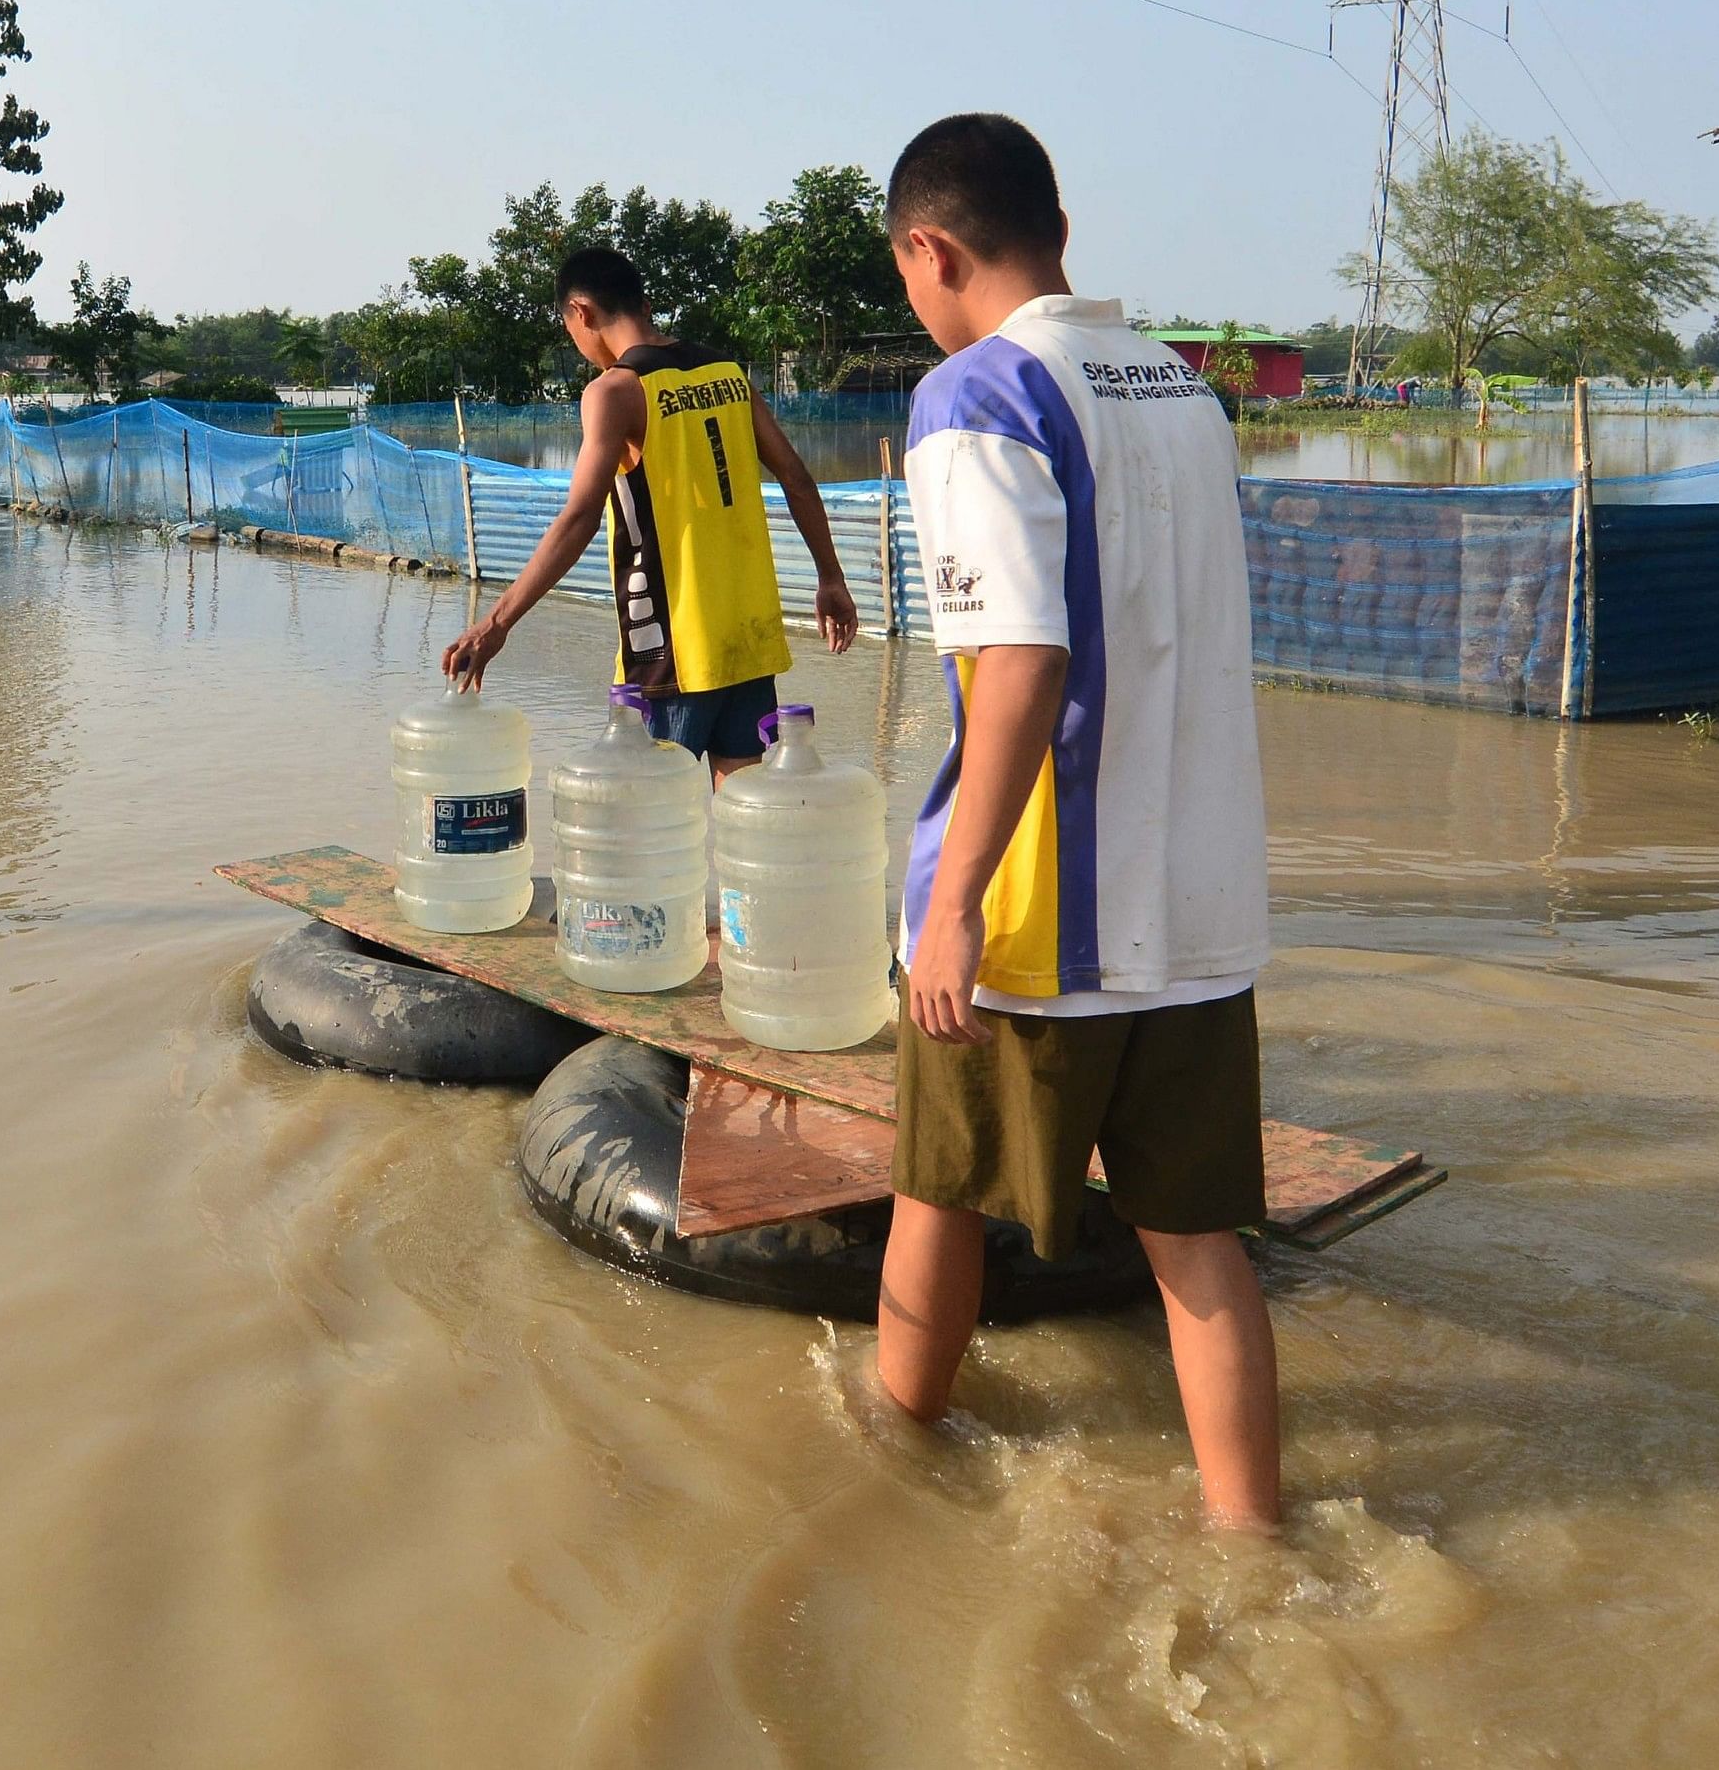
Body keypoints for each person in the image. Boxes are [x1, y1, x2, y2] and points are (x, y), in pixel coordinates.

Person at [870, 113, 1283, 1533]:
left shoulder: (976, 397)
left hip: (1045, 917)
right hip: (1202, 907)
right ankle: (1249, 1537)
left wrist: (948, 904)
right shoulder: (1176, 385)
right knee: (1197, 1252)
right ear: (1052, 222)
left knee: (936, 1190)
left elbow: (1023, 665)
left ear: (930, 250)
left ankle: (886, 1461)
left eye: (904, 276)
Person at [440, 246, 858, 769]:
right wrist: (831, 579)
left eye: (569, 326)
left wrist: (496, 622)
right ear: (644, 301)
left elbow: (579, 519)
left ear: (582, 312)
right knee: (744, 829)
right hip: (748, 647)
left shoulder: (615, 391)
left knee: (649, 833)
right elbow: (796, 478)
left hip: (668, 657)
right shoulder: (728, 375)